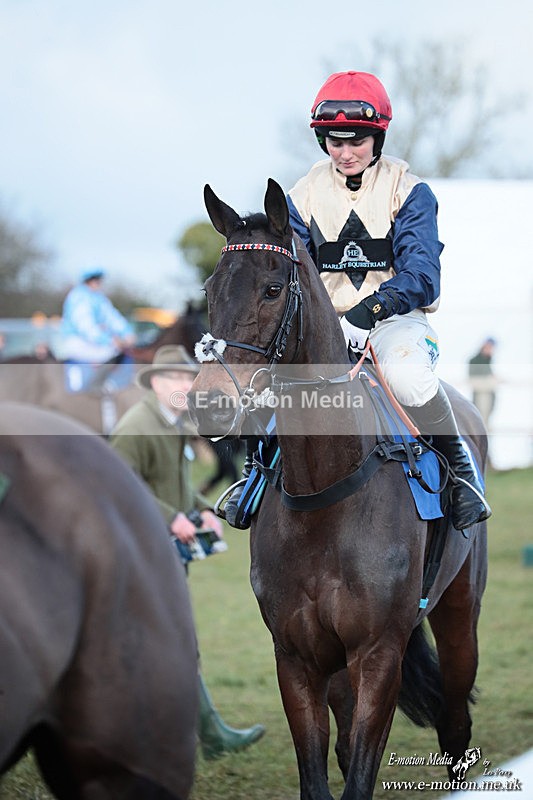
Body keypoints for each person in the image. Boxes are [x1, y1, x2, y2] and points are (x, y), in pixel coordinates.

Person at [226, 70, 491, 533]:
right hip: (322, 324)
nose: (345, 153)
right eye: (334, 142)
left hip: (394, 324)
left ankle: (461, 472)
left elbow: (423, 276)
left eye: (356, 142)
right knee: (263, 375)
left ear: (377, 138)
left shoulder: (410, 191)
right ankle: (254, 471)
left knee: (408, 380)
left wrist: (365, 313)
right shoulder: (300, 196)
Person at [109, 345, 265, 759]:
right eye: (176, 378)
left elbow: (175, 483)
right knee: (168, 639)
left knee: (166, 640)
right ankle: (202, 735)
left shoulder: (172, 420)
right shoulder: (137, 426)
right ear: (156, 383)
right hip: (139, 553)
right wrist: (169, 518)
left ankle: (194, 734)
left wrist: (201, 509)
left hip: (166, 551)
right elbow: (120, 489)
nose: (184, 385)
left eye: (187, 378)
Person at [61, 268, 135, 363]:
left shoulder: (99, 297)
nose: (98, 282)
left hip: (95, 341)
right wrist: (109, 340)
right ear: (87, 281)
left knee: (125, 355)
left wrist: (127, 333)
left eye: (99, 279)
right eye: (95, 279)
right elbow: (86, 327)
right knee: (111, 353)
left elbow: (112, 318)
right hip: (77, 341)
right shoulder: (78, 296)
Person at [468, 337, 498, 428]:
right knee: (480, 422)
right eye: (489, 346)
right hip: (480, 396)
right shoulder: (475, 360)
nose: (490, 349)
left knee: (486, 422)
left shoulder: (488, 360)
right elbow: (474, 380)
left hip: (489, 396)